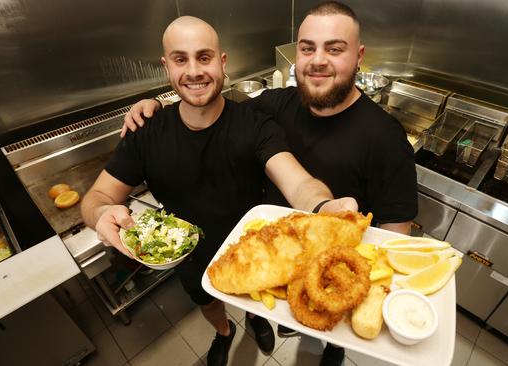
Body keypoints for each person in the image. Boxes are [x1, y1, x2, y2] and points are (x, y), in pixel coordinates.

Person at [122, 2, 418, 365]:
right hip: (275, 258)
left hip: (335, 272)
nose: (318, 60)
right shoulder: (275, 104)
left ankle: (333, 346)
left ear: (358, 57)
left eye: (335, 48)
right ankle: (249, 327)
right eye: (308, 48)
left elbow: (395, 237)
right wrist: (157, 102)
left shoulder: (387, 139)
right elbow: (210, 107)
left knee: (331, 327)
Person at [81, 15, 357, 366]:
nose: (194, 71)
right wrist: (102, 214)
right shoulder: (146, 131)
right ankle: (224, 333)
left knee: (252, 299)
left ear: (222, 62)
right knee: (207, 302)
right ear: (166, 67)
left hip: (250, 252)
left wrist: (323, 206)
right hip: (189, 256)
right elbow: (96, 198)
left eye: (205, 57)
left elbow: (297, 181)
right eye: (181, 59)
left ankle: (256, 319)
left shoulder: (255, 125)